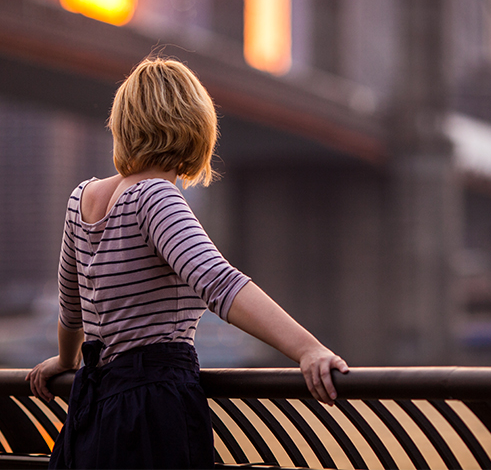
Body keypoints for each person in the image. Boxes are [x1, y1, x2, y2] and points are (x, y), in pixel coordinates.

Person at [27, 57, 348, 469]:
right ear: (195, 128)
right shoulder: (154, 197)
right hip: (151, 409)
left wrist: (66, 362)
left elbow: (71, 309)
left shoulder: (81, 200)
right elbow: (219, 283)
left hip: (93, 410)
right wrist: (308, 349)